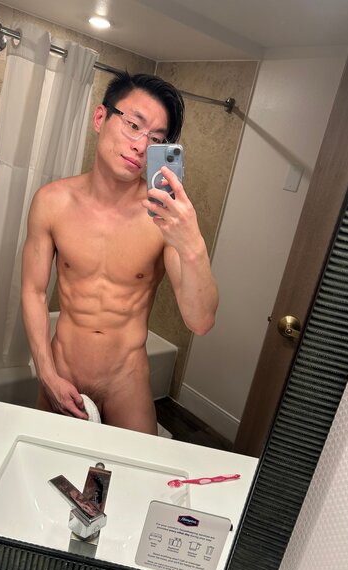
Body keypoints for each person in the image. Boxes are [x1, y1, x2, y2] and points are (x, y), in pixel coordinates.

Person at [21, 72, 218, 435]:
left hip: (125, 380)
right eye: (133, 125)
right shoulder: (51, 202)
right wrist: (46, 374)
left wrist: (192, 242)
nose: (141, 146)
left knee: (135, 472)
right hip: (61, 369)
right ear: (101, 118)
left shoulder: (162, 218)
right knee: (43, 465)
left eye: (155, 139)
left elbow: (201, 321)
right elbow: (33, 292)